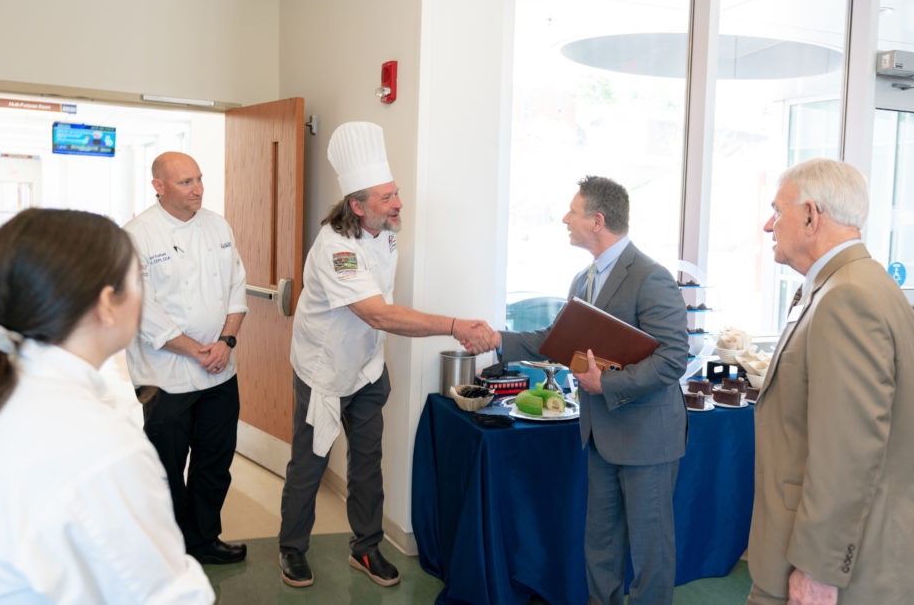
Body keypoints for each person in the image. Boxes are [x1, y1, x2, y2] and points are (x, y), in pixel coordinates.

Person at [278, 121, 496, 589]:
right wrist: (456, 326)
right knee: (309, 463)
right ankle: (292, 548)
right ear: (357, 207)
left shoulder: (387, 230)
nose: (398, 203)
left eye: (395, 192)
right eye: (385, 197)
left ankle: (366, 549)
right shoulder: (336, 249)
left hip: (368, 369)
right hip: (324, 372)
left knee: (368, 462)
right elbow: (379, 315)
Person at [747, 158, 914, 605]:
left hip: (850, 570)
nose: (768, 225)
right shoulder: (854, 284)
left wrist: (818, 569)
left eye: (777, 211)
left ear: (809, 215)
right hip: (861, 553)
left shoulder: (847, 297)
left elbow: (848, 452)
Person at [0, 208, 214, 603]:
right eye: (137, 279)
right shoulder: (103, 448)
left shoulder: (3, 393)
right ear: (107, 304)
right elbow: (168, 596)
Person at [492, 176, 688, 605]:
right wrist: (495, 339)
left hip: (647, 439)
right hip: (600, 434)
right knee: (600, 546)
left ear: (597, 220)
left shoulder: (651, 277)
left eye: (573, 212)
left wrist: (609, 383)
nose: (565, 218)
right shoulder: (583, 280)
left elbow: (674, 358)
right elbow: (556, 340)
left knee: (650, 553)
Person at [124, 152, 249, 565]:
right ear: (159, 186)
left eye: (199, 179)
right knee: (166, 466)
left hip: (219, 370)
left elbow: (236, 286)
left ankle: (203, 540)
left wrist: (225, 342)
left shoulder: (217, 225)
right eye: (185, 183)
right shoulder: (137, 235)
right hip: (165, 376)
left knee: (215, 461)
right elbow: (142, 309)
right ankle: (168, 548)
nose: (198, 189)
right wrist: (197, 350)